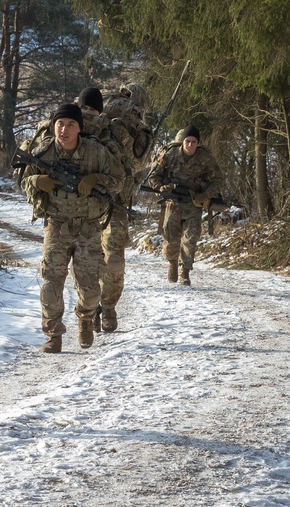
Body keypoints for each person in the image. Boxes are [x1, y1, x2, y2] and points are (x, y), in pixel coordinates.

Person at [18, 103, 122, 353]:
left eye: (71, 124)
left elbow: (119, 182)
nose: (64, 129)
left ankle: (85, 319)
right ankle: (53, 334)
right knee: (51, 283)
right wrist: (36, 180)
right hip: (56, 225)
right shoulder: (43, 152)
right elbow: (24, 180)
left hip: (88, 227)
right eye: (60, 124)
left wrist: (95, 179)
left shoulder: (96, 152)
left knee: (89, 289)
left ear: (79, 128)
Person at [76, 86, 145, 333]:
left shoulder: (114, 130)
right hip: (78, 206)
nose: (87, 114)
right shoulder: (66, 126)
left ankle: (109, 306)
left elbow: (133, 164)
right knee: (84, 262)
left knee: (113, 259)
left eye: (92, 109)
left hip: (113, 202)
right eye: (83, 108)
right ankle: (90, 307)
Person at [147, 125, 224, 286]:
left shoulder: (205, 158)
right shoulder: (169, 155)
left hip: (193, 202)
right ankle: (172, 264)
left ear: (198, 143)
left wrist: (205, 195)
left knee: (191, 237)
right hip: (173, 202)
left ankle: (185, 271)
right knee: (170, 237)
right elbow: (153, 177)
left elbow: (218, 181)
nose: (190, 145)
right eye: (187, 141)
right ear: (183, 141)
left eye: (194, 142)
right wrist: (162, 188)